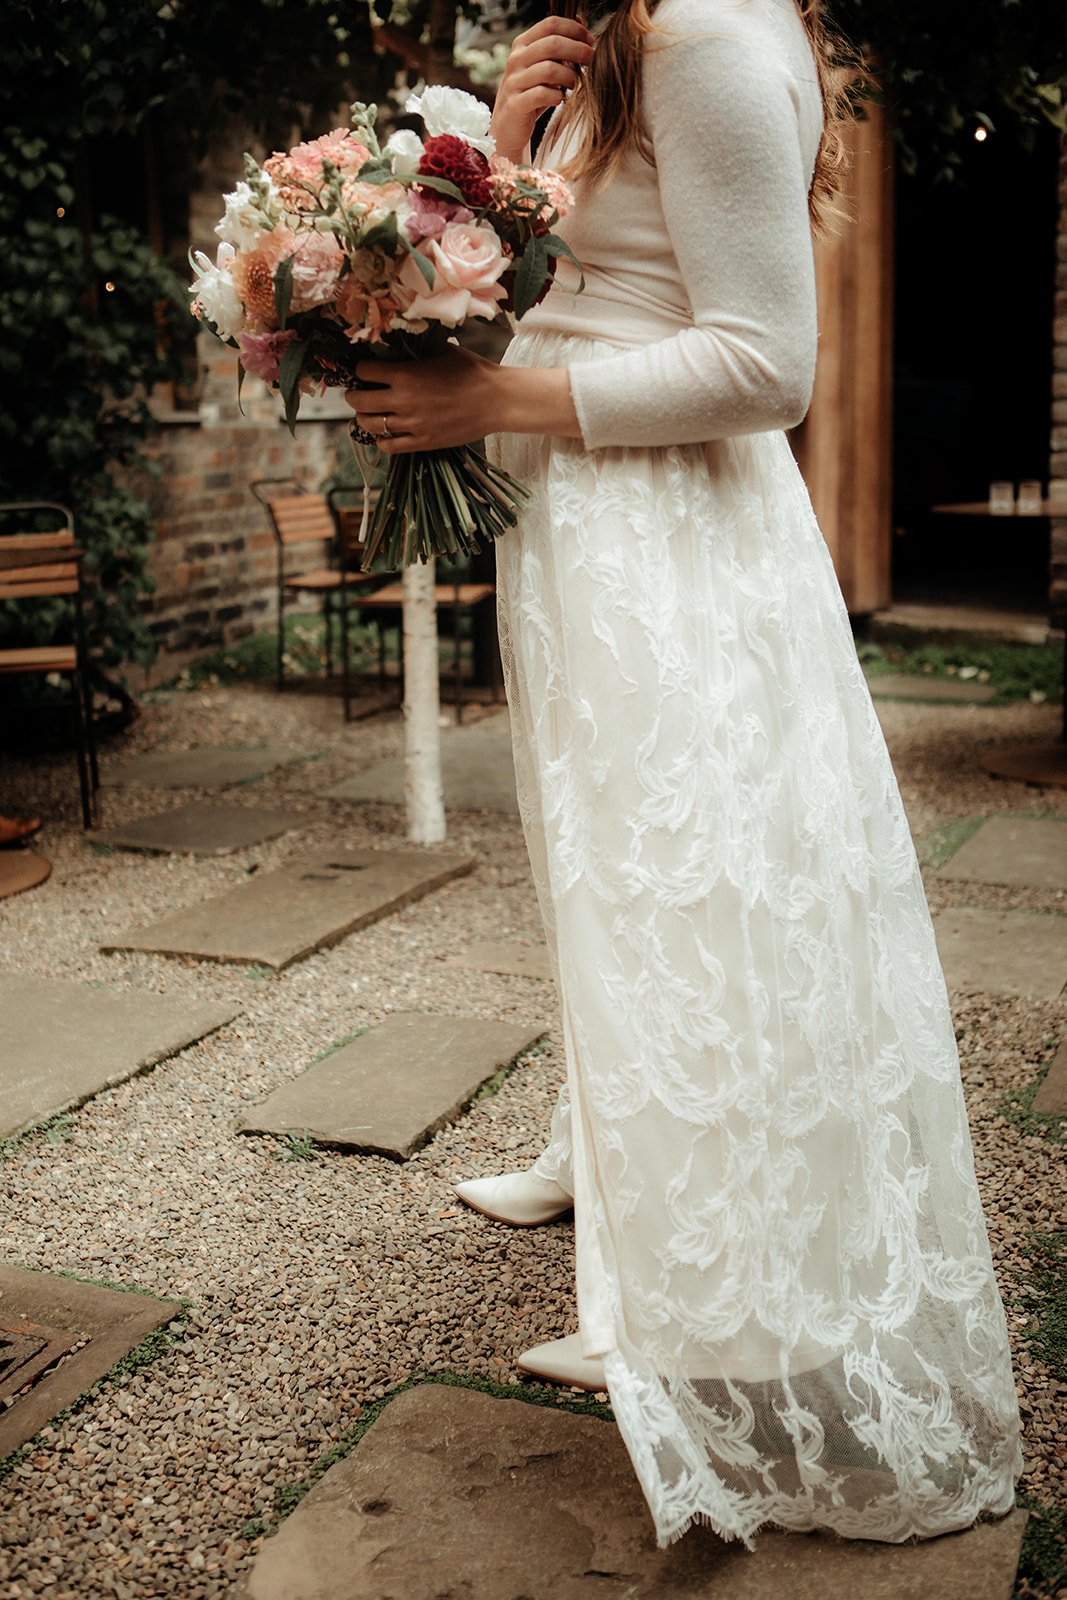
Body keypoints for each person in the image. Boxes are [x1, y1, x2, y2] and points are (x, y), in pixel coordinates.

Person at [346, 0, 1023, 1552]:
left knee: (691, 892)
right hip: (589, 533)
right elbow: (578, 286)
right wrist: (504, 150)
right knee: (615, 877)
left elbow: (766, 364)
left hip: (671, 548)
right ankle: (612, 1158)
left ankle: (703, 1304)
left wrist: (490, 403)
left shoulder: (714, 37)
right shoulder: (625, 34)